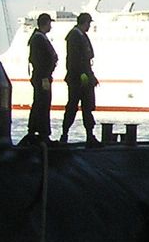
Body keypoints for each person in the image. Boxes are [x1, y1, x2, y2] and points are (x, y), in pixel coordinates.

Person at [60, 11, 98, 145]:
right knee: (73, 106)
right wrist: (84, 76)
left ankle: (89, 135)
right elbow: (76, 59)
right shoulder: (75, 36)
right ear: (85, 22)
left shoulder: (81, 36)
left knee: (87, 107)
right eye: (88, 23)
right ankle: (65, 134)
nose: (89, 26)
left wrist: (90, 76)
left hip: (83, 76)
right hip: (78, 79)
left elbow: (86, 59)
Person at [23, 12, 57, 145]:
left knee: (41, 102)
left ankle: (37, 130)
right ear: (45, 23)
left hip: (43, 76)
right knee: (42, 102)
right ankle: (41, 132)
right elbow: (39, 59)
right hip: (42, 77)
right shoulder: (39, 39)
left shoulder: (39, 38)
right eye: (49, 23)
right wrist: (45, 74)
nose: (51, 27)